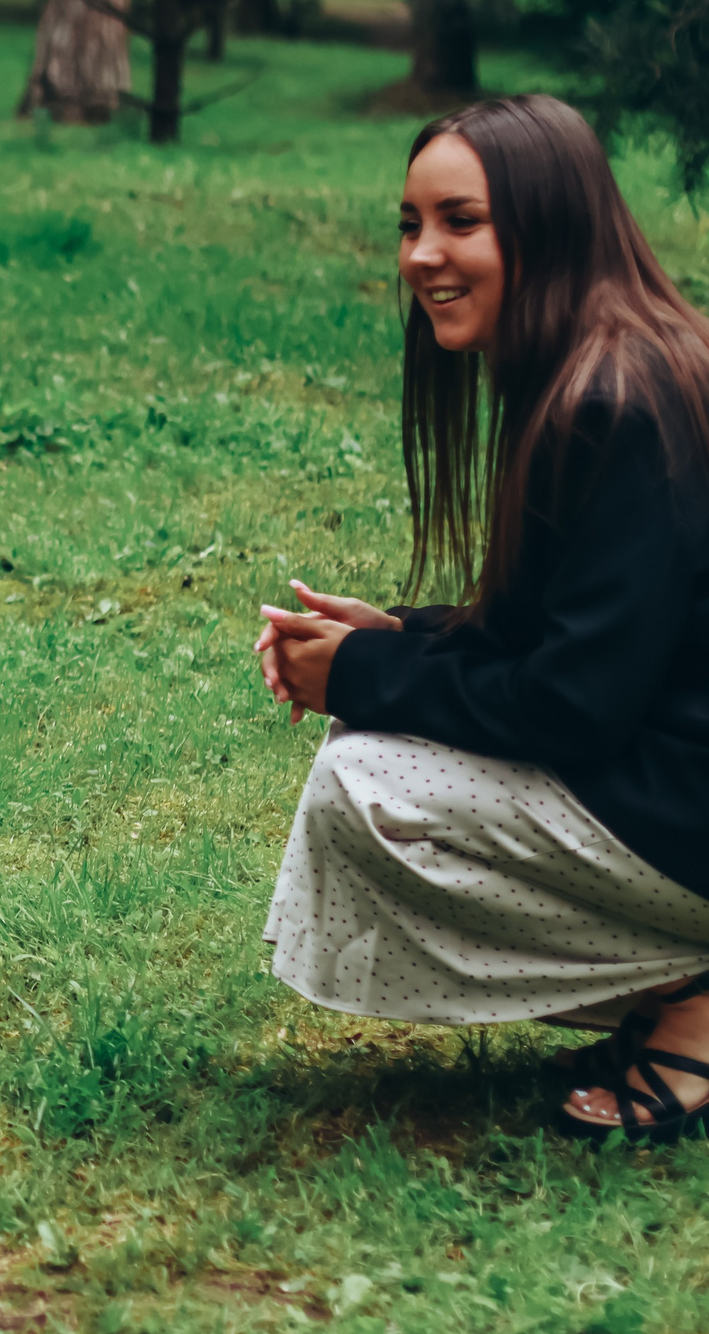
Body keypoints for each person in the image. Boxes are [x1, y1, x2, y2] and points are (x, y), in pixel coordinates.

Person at [255, 95, 709, 1141]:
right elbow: (592, 631)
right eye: (410, 225)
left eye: (461, 221)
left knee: (368, 786)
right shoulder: (606, 365)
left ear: (547, 223)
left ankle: (691, 1001)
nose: (422, 255)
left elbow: (573, 706)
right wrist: (401, 636)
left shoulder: (616, 401)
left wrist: (362, 678)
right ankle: (675, 999)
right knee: (375, 743)